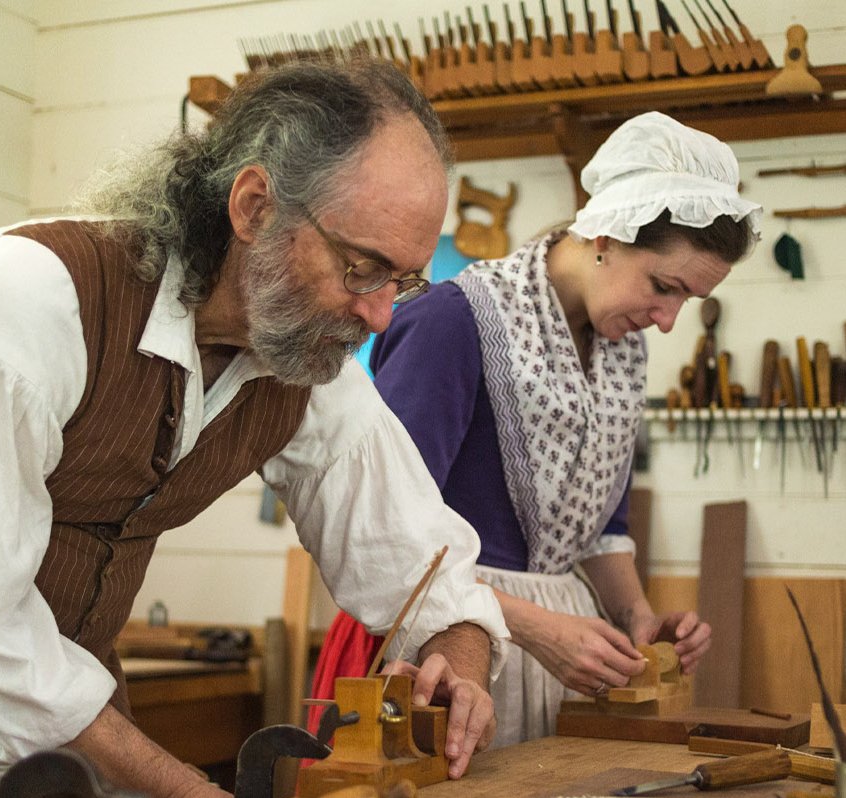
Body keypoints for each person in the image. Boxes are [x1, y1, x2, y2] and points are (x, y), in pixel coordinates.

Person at [0, 59, 511, 798]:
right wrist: (192, 796)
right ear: (254, 206)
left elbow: (425, 560)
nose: (378, 314)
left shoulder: (306, 370)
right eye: (361, 266)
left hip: (57, 733)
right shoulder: (20, 306)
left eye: (402, 282)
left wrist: (461, 659)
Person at [310, 111, 761, 748]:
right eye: (664, 287)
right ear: (607, 234)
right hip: (439, 650)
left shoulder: (621, 353)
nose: (666, 320)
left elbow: (602, 526)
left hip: (562, 653)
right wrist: (541, 628)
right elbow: (387, 533)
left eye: (685, 299)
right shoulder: (453, 323)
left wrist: (637, 619)